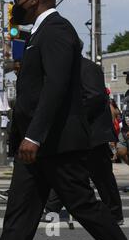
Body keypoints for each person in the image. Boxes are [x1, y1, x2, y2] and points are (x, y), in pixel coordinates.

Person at [0, 0, 129, 240]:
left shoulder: (56, 29)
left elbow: (55, 86)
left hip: (54, 143)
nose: (15, 5)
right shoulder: (39, 32)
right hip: (34, 146)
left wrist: (34, 136)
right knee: (19, 215)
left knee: (84, 206)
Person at [43, 58, 124, 225]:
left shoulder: (88, 68)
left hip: (93, 132)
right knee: (65, 169)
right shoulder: (67, 67)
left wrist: (73, 117)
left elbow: (95, 97)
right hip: (78, 132)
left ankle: (115, 213)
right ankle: (52, 208)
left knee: (101, 175)